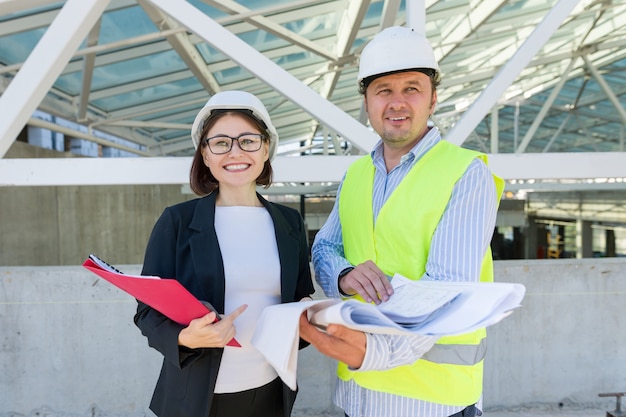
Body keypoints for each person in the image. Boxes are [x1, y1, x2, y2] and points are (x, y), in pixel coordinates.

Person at [299, 26, 504, 417]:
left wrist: (374, 353)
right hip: (357, 395)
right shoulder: (357, 175)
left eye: (411, 88)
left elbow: (445, 289)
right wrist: (343, 274)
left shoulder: (465, 173)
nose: (397, 103)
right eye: (384, 90)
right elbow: (325, 247)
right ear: (366, 102)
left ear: (433, 99)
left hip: (431, 402)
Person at [135, 90, 315, 417]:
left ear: (266, 149)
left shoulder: (290, 223)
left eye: (248, 140)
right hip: (197, 398)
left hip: (271, 391)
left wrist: (307, 315)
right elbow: (147, 312)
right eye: (220, 142)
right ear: (204, 155)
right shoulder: (177, 221)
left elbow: (301, 296)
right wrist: (185, 336)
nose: (235, 152)